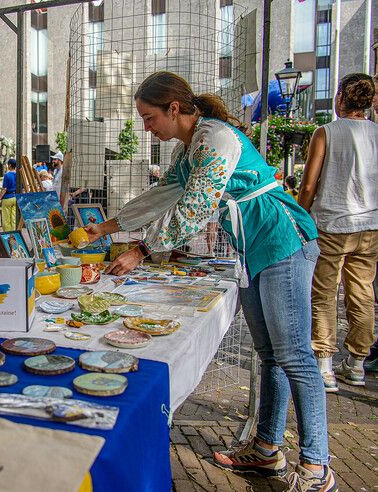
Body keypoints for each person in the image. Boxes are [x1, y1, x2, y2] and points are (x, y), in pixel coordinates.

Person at [83, 71, 335, 489]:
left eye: (149, 117)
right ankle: (267, 449)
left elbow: (196, 206)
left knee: (295, 357)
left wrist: (142, 250)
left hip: (283, 240)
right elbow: (163, 195)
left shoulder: (215, 138)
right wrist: (107, 227)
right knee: (270, 355)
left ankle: (316, 465)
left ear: (174, 108)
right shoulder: (189, 148)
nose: (146, 127)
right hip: (255, 250)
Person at [298, 73, 378, 391]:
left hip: (331, 224)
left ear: (341, 97)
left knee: (324, 294)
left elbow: (308, 184)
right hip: (369, 226)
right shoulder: (376, 134)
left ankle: (324, 365)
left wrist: (300, 218)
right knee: (362, 294)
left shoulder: (326, 133)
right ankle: (357, 364)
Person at [0, 158, 17, 231]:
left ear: (10, 165)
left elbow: (4, 189)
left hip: (7, 199)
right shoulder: (18, 175)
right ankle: (14, 234)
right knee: (14, 218)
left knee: (6, 219)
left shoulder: (7, 175)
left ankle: (8, 236)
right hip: (15, 198)